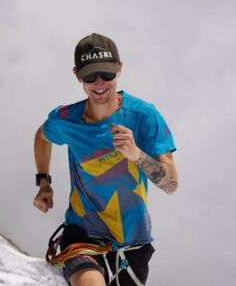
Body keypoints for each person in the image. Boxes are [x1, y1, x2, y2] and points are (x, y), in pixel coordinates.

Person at [33, 33, 179, 286]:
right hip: (82, 236)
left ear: (119, 69)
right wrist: (44, 182)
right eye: (90, 76)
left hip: (134, 244)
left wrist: (136, 154)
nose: (99, 83)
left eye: (107, 74)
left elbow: (171, 184)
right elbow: (42, 136)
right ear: (77, 75)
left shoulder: (144, 116)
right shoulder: (66, 119)